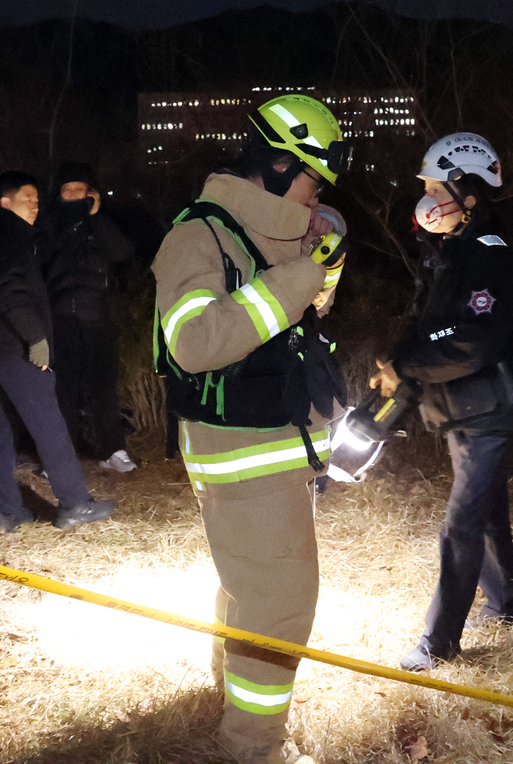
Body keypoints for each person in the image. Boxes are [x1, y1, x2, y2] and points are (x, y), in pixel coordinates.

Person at [152, 94, 351, 764]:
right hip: (243, 453)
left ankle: (231, 699)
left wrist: (318, 260)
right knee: (280, 604)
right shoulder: (196, 236)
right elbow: (196, 340)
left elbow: (284, 328)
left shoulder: (266, 234)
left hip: (273, 449)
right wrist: (296, 279)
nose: (315, 195)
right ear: (273, 165)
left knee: (250, 587)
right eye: (310, 180)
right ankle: (252, 750)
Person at [369, 133, 513, 673]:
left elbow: (471, 340)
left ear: (467, 191)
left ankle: (436, 644)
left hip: (490, 411)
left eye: (436, 186)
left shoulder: (487, 257)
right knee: (485, 512)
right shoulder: (453, 254)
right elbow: (430, 329)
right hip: (463, 409)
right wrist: (400, 369)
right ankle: (508, 602)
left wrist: (408, 368)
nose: (427, 197)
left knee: (461, 523)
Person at [0, 171, 115, 535]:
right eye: (27, 198)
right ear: (6, 202)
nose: (34, 205)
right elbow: (11, 289)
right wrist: (36, 338)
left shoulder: (9, 235)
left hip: (0, 345)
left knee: (3, 431)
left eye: (37, 199)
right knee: (49, 423)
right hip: (16, 345)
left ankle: (7, 512)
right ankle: (74, 503)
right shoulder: (6, 236)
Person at [43, 161, 137, 473]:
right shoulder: (49, 224)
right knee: (63, 388)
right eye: (66, 191)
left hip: (98, 316)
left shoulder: (102, 223)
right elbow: (41, 262)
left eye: (78, 190)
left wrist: (95, 217)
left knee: (103, 387)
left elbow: (122, 251)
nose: (72, 196)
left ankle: (113, 450)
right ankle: (61, 455)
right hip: (61, 317)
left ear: (91, 193)